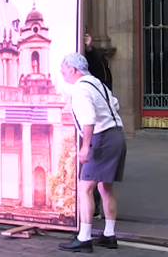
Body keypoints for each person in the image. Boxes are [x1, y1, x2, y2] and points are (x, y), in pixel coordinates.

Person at [58, 53, 127, 253]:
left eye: (63, 69)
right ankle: (109, 235)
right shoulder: (98, 83)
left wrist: (85, 146)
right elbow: (115, 104)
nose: (61, 72)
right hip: (117, 135)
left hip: (102, 138)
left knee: (84, 188)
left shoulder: (80, 89)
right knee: (105, 188)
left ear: (72, 70)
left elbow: (88, 118)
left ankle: (84, 237)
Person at [84, 33, 113, 220]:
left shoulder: (95, 66)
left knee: (91, 181)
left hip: (99, 129)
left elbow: (102, 77)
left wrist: (90, 50)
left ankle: (87, 228)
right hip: (103, 129)